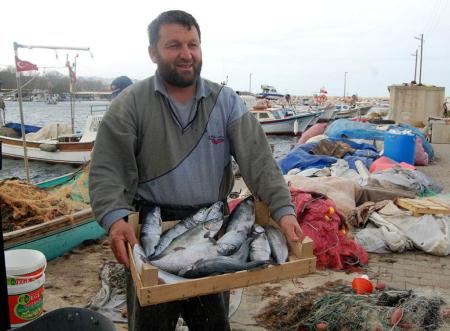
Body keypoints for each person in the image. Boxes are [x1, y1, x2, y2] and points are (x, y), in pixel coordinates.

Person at [89, 10, 303, 331]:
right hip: (154, 226)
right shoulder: (131, 103)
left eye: (193, 44)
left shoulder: (226, 102)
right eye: (174, 45)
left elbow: (259, 162)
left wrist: (283, 212)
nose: (186, 54)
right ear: (153, 53)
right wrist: (114, 219)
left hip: (213, 227)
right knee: (151, 325)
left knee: (213, 324)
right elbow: (108, 169)